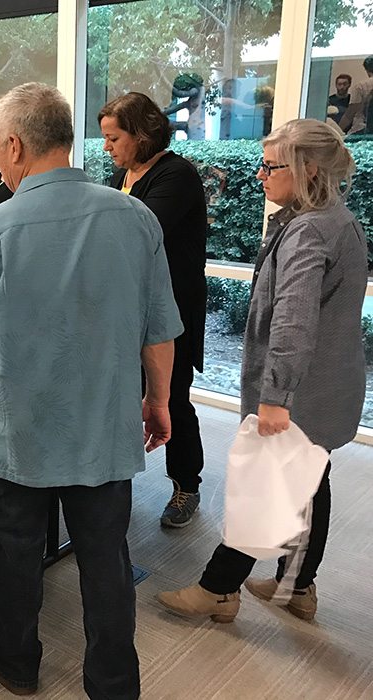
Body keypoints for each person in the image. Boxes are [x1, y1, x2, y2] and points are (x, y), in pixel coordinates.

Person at [0, 82, 184, 700]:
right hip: (104, 425)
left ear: (13, 145)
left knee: (15, 553)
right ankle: (112, 683)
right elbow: (159, 328)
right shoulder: (136, 218)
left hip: (20, 431)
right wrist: (158, 400)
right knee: (106, 559)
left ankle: (16, 658)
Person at [157, 119, 367, 624]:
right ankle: (298, 586)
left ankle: (218, 588)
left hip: (302, 395)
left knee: (264, 487)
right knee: (309, 482)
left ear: (306, 169)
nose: (259, 176)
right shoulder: (335, 220)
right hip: (326, 386)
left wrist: (276, 396)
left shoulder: (310, 231)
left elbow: (294, 321)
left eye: (271, 166)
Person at [99, 92, 208, 528]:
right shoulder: (122, 175)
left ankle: (187, 486)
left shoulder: (175, 174)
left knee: (172, 397)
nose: (107, 147)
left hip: (172, 309)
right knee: (126, 393)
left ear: (142, 135)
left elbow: (136, 228)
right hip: (130, 306)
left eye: (114, 138)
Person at [341, 56, 373, 135]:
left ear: (367, 70)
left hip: (361, 131)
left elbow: (351, 113)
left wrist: (337, 131)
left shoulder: (360, 86)